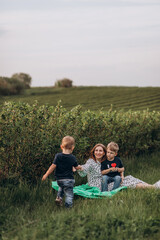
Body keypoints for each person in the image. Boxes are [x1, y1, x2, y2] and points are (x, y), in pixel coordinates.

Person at [78, 143, 160, 191]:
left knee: (128, 178)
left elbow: (119, 167)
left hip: (108, 181)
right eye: (96, 150)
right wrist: (80, 167)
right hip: (98, 185)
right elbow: (85, 168)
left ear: (104, 153)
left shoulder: (105, 160)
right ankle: (153, 188)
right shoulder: (91, 161)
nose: (98, 152)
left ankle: (151, 186)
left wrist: (122, 175)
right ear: (94, 152)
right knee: (125, 182)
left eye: (100, 151)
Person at [42, 136, 82, 208]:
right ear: (73, 147)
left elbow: (53, 166)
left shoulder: (58, 156)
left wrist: (46, 174)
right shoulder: (72, 157)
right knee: (69, 194)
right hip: (69, 179)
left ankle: (59, 198)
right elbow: (76, 167)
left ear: (61, 146)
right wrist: (80, 167)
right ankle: (68, 207)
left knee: (61, 188)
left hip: (59, 179)